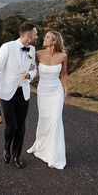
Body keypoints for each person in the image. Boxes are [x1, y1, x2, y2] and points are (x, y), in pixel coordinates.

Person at [0, 21, 38, 169]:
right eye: (35, 34)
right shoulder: (7, 47)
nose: (37, 36)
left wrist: (29, 75)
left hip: (23, 93)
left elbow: (33, 68)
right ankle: (6, 148)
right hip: (7, 93)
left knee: (21, 127)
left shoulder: (32, 49)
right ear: (28, 35)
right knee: (12, 125)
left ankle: (17, 155)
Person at [27, 30, 68, 169]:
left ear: (54, 41)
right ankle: (40, 145)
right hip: (43, 91)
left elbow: (64, 74)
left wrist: (66, 88)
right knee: (44, 120)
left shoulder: (63, 56)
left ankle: (54, 156)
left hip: (56, 91)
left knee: (55, 120)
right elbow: (30, 67)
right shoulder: (38, 54)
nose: (44, 38)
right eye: (44, 36)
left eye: (47, 37)